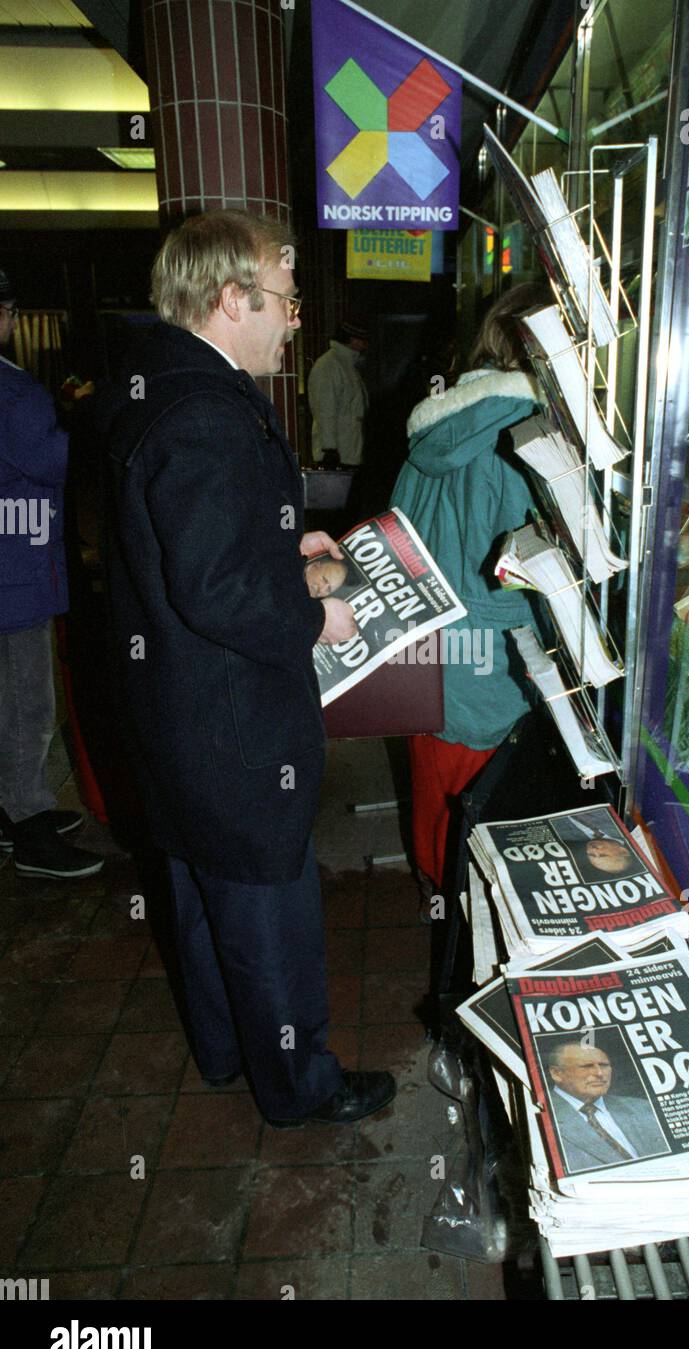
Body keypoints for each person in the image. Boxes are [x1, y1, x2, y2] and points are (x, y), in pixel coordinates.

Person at [95, 211, 395, 1128]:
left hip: (176, 710)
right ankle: (300, 1089)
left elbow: (187, 550)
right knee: (269, 915)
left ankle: (227, 1053)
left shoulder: (148, 386)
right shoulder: (208, 410)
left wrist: (281, 545)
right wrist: (313, 610)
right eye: (285, 299)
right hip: (233, 726)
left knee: (197, 890)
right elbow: (220, 592)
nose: (294, 319)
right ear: (233, 299)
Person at [390, 282, 552, 893]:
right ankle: (469, 953)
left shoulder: (442, 420)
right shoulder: (524, 436)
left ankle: (444, 921)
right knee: (490, 838)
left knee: (438, 811)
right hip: (495, 672)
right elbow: (535, 570)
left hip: (426, 653)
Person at [0, 268, 104, 879]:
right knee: (28, 704)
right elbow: (55, 461)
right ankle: (31, 823)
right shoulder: (12, 393)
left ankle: (11, 811)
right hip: (14, 576)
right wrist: (82, 419)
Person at [547, 1041, 668, 1172]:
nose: (599, 1073)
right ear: (556, 1073)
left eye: (604, 1065)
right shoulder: (543, 1117)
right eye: (586, 1066)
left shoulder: (643, 1107)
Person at [307, 322, 369, 469]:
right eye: (363, 340)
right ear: (352, 340)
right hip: (340, 452)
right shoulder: (329, 365)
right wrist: (329, 448)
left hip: (347, 450)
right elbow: (325, 410)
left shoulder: (345, 364)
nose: (366, 345)